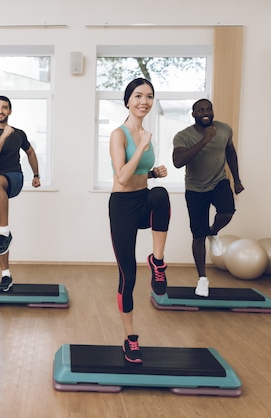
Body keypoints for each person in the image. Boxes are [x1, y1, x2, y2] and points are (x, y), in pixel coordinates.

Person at [109, 78, 171, 363]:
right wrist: (144, 146)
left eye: (148, 96)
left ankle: (157, 261)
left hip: (142, 199)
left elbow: (138, 176)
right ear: (127, 101)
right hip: (122, 206)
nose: (143, 101)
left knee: (159, 194)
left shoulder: (147, 133)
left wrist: (153, 174)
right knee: (128, 276)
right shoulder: (118, 134)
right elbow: (121, 176)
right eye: (137, 96)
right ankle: (130, 338)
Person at [172, 98, 244, 298]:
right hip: (195, 188)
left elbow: (231, 153)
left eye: (208, 109)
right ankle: (202, 279)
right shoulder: (183, 136)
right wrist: (204, 140)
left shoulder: (224, 130)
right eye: (201, 110)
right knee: (197, 235)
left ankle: (213, 232)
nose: (206, 112)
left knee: (227, 211)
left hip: (219, 181)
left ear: (212, 111)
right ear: (193, 114)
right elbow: (178, 162)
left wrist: (237, 180)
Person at [0, 96, 41, 292]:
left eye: (4, 107)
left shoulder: (19, 134)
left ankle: (6, 232)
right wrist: (3, 136)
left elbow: (30, 152)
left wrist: (36, 175)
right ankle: (6, 275)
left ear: (10, 111)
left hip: (14, 179)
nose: (1, 111)